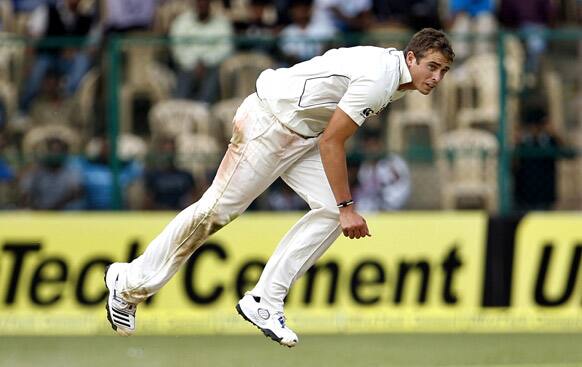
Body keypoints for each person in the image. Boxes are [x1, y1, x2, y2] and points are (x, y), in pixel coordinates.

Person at [104, 28, 454, 347]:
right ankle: (128, 283)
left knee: (331, 212)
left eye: (443, 71)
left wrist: (342, 208)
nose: (436, 77)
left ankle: (265, 300)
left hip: (301, 133)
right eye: (432, 67)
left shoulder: (393, 74)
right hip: (269, 123)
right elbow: (333, 142)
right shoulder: (381, 78)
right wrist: (348, 206)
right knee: (216, 212)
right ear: (411, 58)